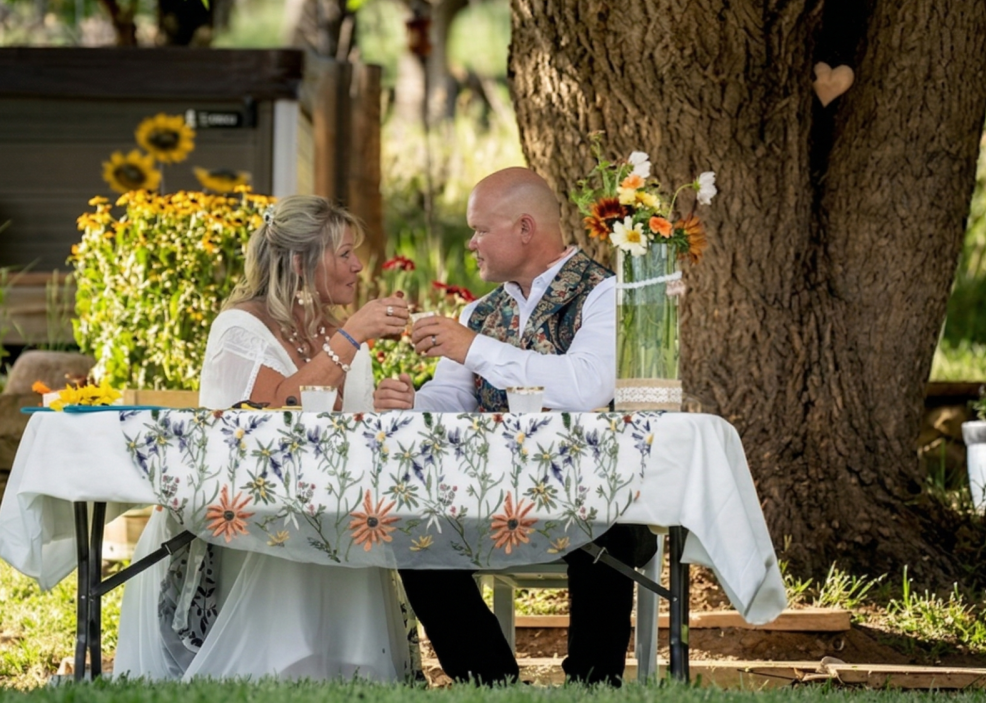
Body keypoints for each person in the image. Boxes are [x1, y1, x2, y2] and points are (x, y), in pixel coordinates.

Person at [113, 195, 417, 680]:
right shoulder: (240, 327)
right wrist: (352, 337)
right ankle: (276, 666)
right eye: (344, 254)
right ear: (300, 262)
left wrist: (382, 407)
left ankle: (344, 669)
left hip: (331, 511)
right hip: (249, 515)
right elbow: (270, 417)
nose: (358, 266)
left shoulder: (341, 336)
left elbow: (345, 440)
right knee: (292, 529)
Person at [374, 167, 653, 686]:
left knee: (607, 528)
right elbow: (455, 398)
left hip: (592, 494)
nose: (472, 243)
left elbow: (586, 386)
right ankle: (490, 684)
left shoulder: (605, 295)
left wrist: (473, 347)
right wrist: (411, 404)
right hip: (492, 498)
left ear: (525, 228)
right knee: (413, 528)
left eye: (480, 230)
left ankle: (593, 688)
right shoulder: (479, 311)